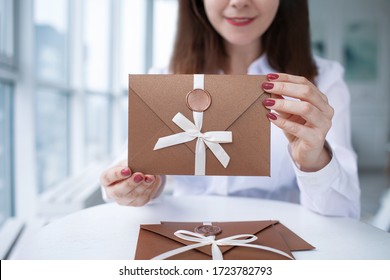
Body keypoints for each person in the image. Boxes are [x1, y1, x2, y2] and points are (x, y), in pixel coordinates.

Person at [100, 0, 360, 218]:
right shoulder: (164, 79)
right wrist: (138, 186)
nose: (238, 2)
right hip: (187, 236)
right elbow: (132, 167)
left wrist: (313, 161)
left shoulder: (322, 82)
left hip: (282, 240)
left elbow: (345, 211)